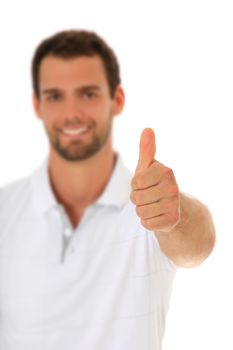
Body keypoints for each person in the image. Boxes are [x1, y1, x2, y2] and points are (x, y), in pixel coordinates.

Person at [0, 30, 216, 350]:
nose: (72, 113)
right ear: (37, 104)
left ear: (117, 99)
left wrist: (176, 216)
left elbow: (199, 245)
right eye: (55, 96)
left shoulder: (149, 205)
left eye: (88, 94)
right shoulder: (6, 209)